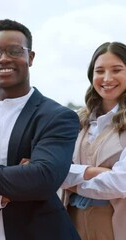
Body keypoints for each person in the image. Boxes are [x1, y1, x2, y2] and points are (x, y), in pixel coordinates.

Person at [0, 19, 81, 240]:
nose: (3, 59)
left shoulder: (57, 117)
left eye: (14, 51)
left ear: (30, 57)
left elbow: (43, 179)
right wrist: (2, 193)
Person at [60, 41, 126, 240]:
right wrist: (93, 173)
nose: (107, 78)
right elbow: (50, 166)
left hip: (115, 229)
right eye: (99, 71)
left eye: (117, 70)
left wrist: (66, 179)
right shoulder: (76, 121)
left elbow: (119, 183)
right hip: (72, 225)